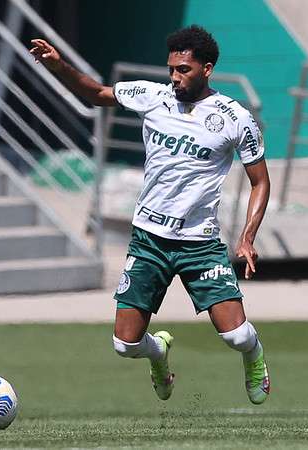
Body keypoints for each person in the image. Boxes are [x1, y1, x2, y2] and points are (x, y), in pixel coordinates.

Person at [29, 25, 270, 404]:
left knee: (236, 336)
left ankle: (255, 357)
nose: (175, 77)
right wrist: (59, 66)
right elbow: (95, 94)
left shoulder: (235, 118)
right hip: (148, 239)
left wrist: (247, 237)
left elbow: (260, 181)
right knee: (124, 345)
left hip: (199, 244)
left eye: (184, 70)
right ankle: (159, 353)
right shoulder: (152, 96)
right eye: (171, 68)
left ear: (207, 69)